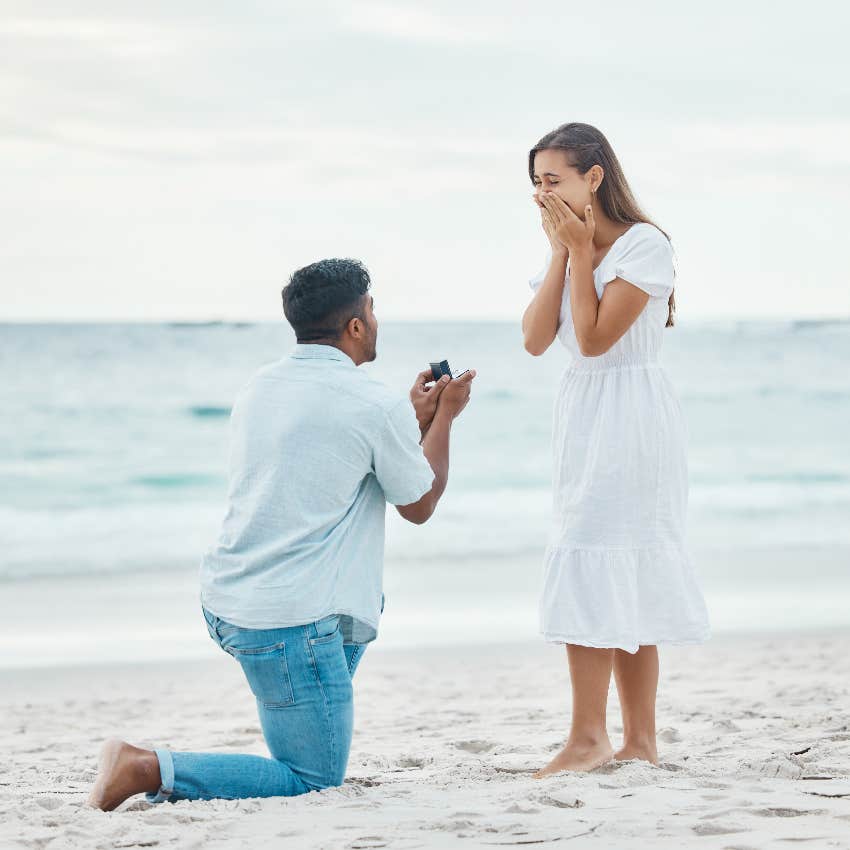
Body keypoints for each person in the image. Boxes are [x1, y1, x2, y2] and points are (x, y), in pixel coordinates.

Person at [88, 258, 476, 809]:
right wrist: (446, 419)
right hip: (290, 620)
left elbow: (333, 466)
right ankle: (144, 767)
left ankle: (304, 710)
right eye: (372, 307)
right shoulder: (371, 403)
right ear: (356, 325)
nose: (375, 318)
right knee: (311, 778)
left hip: (231, 599)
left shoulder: (261, 386)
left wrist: (411, 419)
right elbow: (419, 504)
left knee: (345, 630)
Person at [522, 123, 710, 776]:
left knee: (613, 558)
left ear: (593, 177)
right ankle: (621, 742)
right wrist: (562, 252)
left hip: (632, 420)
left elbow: (598, 338)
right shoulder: (569, 245)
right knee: (599, 558)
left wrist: (579, 255)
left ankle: (606, 739)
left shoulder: (645, 246)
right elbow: (537, 339)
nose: (542, 194)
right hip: (585, 416)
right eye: (536, 183)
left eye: (554, 180)